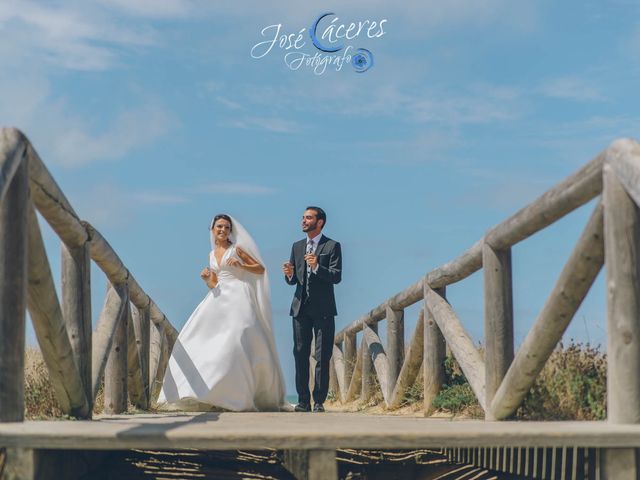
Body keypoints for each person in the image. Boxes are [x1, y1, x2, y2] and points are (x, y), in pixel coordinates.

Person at [157, 214, 286, 411]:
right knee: (200, 339)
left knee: (237, 339)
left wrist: (241, 265)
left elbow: (260, 269)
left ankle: (236, 396)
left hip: (239, 296)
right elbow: (215, 284)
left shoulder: (237, 249)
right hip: (218, 297)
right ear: (212, 229)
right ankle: (204, 392)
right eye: (219, 227)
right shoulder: (211, 254)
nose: (223, 230)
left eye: (226, 227)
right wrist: (207, 279)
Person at [283, 206, 342, 412]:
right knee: (299, 354)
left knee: (322, 356)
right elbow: (294, 281)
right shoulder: (297, 246)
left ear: (320, 222)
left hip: (324, 309)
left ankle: (318, 401)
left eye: (308, 218)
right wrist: (289, 274)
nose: (303, 221)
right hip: (300, 309)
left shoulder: (332, 246)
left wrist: (317, 266)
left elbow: (336, 276)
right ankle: (302, 401)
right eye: (303, 218)